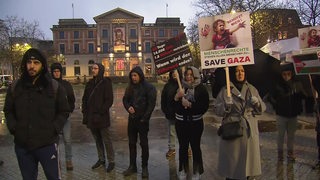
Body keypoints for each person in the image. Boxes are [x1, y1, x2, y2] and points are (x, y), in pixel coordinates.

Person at [3, 48, 70, 180]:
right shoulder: (16, 87)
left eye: (36, 62)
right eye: (29, 62)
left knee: (54, 177)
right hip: (23, 146)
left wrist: (54, 128)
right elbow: (8, 110)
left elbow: (64, 110)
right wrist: (14, 128)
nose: (32, 66)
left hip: (47, 144)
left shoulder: (54, 86)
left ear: (42, 65)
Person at [215, 65, 266, 180]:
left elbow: (262, 109)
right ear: (233, 73)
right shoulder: (225, 89)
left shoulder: (252, 89)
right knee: (232, 166)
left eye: (242, 71)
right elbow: (217, 110)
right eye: (237, 71)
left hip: (249, 131)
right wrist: (226, 105)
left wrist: (257, 103)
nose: (240, 73)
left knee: (247, 167)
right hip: (232, 130)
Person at [174, 66, 209, 180]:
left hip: (195, 123)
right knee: (183, 147)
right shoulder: (180, 87)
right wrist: (176, 98)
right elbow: (172, 107)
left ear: (195, 76)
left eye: (191, 75)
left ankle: (197, 170)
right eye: (187, 75)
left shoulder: (201, 89)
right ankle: (183, 169)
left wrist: (190, 105)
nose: (188, 77)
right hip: (181, 123)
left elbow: (204, 107)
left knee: (195, 147)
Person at [122, 66, 157, 178]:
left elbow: (151, 105)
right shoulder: (130, 87)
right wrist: (128, 107)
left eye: (135, 75)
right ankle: (132, 166)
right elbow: (125, 99)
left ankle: (144, 167)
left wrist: (144, 118)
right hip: (132, 119)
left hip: (143, 120)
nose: (133, 78)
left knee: (144, 144)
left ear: (140, 76)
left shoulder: (149, 88)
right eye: (132, 76)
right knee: (132, 143)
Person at [81, 63, 115, 172]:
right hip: (91, 117)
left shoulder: (106, 83)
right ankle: (101, 159)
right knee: (97, 139)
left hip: (102, 117)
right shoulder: (90, 83)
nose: (93, 70)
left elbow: (109, 100)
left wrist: (99, 112)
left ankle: (111, 161)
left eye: (95, 68)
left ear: (100, 70)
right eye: (92, 68)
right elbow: (85, 99)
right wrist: (85, 112)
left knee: (106, 140)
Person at [270, 63, 306, 162]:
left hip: (293, 115)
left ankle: (290, 153)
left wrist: (301, 94)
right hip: (281, 115)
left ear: (291, 74)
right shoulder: (277, 84)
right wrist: (276, 105)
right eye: (284, 74)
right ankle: (280, 154)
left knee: (291, 136)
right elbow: (271, 97)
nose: (286, 76)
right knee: (280, 136)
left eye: (288, 74)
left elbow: (303, 95)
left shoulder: (297, 84)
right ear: (281, 75)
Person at [50, 62, 75, 171]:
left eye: (58, 71)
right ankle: (55, 161)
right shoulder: (49, 85)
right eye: (54, 71)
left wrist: (69, 110)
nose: (56, 73)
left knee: (67, 140)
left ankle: (68, 160)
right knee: (54, 141)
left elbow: (71, 99)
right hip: (52, 117)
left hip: (65, 117)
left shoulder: (66, 84)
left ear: (61, 72)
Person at [161, 69, 182, 158]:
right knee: (172, 132)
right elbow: (163, 99)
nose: (174, 74)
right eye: (173, 72)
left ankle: (187, 147)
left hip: (182, 114)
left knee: (183, 132)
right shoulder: (167, 86)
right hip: (171, 113)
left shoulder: (183, 85)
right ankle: (172, 149)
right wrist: (165, 110)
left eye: (176, 72)